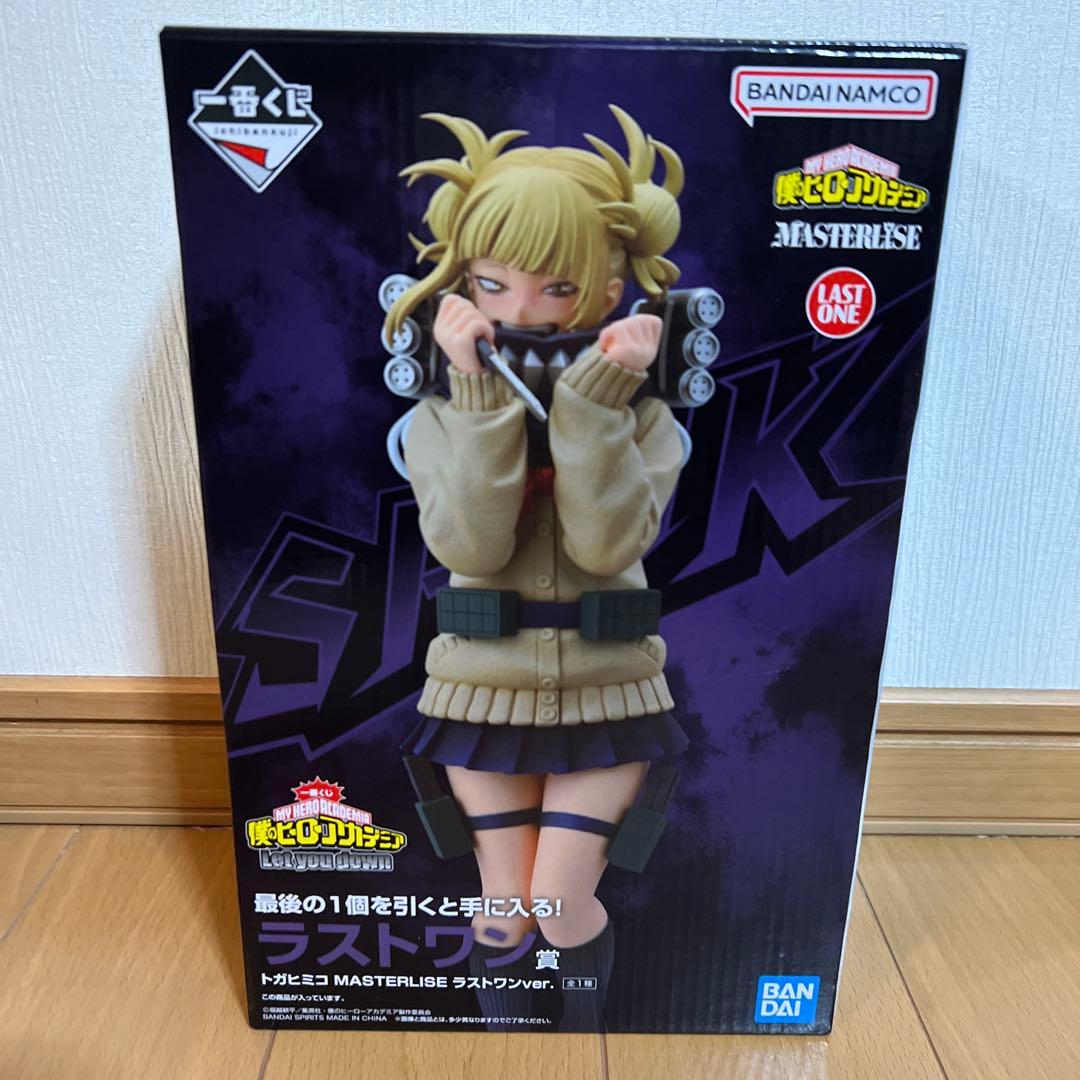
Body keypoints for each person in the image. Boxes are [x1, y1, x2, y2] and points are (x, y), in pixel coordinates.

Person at [385, 105, 688, 1031]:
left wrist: (595, 406)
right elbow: (470, 548)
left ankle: (590, 1039)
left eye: (558, 287)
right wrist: (479, 399)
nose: (521, 311)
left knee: (558, 906)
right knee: (505, 912)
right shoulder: (439, 416)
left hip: (609, 691)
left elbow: (606, 547)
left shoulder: (646, 419)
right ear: (461, 284)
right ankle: (503, 1045)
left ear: (607, 293)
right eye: (493, 283)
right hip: (479, 692)